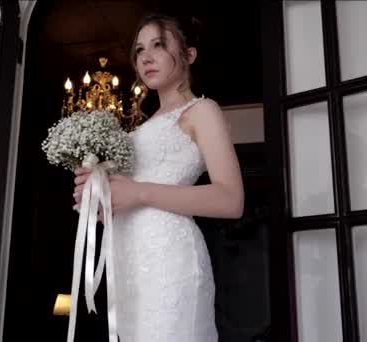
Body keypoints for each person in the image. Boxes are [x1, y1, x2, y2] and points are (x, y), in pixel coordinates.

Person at [72, 12, 244, 342]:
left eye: (158, 45)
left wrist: (138, 193)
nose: (146, 57)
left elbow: (231, 199)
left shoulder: (201, 111)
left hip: (170, 265)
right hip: (129, 267)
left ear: (188, 55)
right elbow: (128, 202)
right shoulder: (138, 128)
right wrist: (100, 199)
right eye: (139, 50)